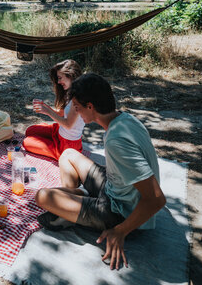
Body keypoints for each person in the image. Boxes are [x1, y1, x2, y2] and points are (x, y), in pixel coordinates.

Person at [35, 73, 166, 270]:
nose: (76, 112)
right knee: (68, 154)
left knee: (43, 196)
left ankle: (70, 209)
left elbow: (156, 198)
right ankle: (73, 206)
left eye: (77, 108)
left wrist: (121, 231)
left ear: (91, 106)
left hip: (119, 211)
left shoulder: (117, 141)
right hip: (114, 186)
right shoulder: (124, 118)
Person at [23, 59, 85, 160]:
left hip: (67, 146)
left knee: (26, 142)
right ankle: (49, 140)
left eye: (60, 78)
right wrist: (44, 107)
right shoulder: (71, 91)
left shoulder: (78, 97)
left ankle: (56, 152)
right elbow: (61, 114)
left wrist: (48, 111)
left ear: (70, 76)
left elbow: (68, 125)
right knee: (30, 131)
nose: (58, 82)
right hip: (58, 131)